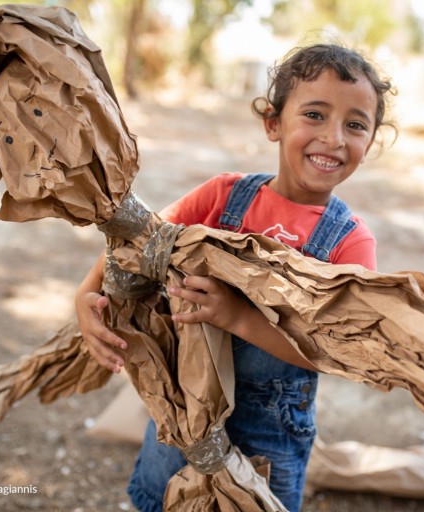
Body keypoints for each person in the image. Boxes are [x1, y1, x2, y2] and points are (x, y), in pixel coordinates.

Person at [74, 42, 395, 511]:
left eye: (355, 124)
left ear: (370, 142)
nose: (334, 138)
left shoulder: (349, 243)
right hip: (182, 415)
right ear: (273, 122)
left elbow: (336, 350)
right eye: (314, 115)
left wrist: (239, 318)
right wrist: (85, 295)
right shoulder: (223, 198)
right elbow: (142, 238)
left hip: (268, 434)